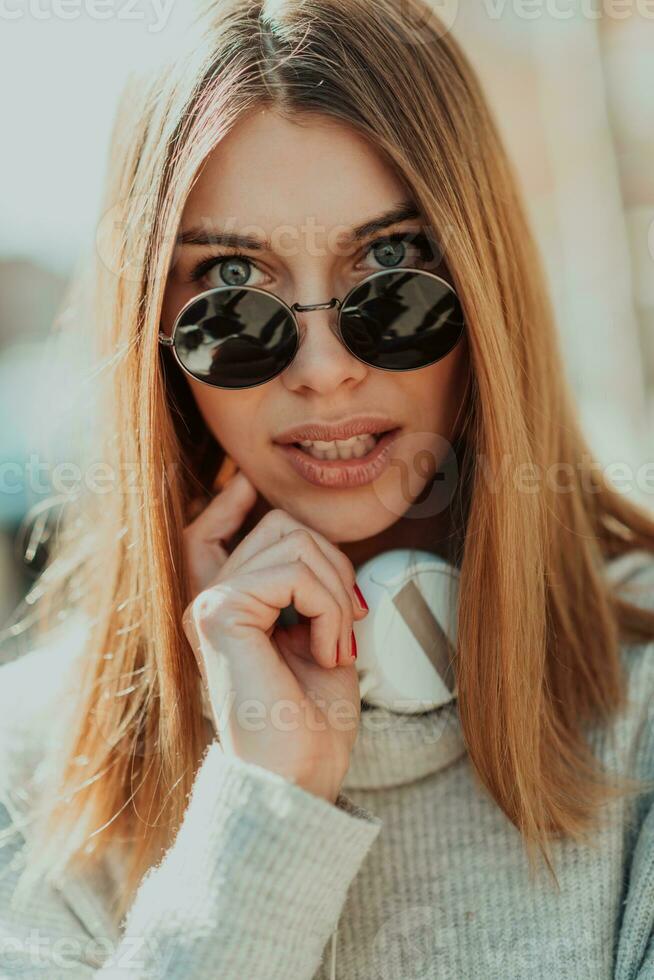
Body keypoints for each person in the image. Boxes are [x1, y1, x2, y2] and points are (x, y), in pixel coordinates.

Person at [1, 0, 653, 977]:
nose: (323, 366)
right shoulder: (30, 769)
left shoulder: (641, 698)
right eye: (231, 281)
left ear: (485, 283)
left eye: (391, 266)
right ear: (156, 335)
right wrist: (263, 810)